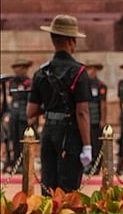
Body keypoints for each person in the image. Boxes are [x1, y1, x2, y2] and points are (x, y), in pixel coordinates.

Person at [26, 14, 91, 193]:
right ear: (71, 41)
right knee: (68, 190)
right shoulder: (79, 71)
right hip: (69, 134)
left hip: (48, 131)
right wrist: (87, 145)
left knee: (48, 185)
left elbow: (31, 111)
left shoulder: (41, 72)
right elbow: (82, 111)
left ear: (53, 39)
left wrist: (50, 106)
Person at [4, 58, 34, 172]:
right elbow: (10, 98)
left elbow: (31, 100)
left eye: (18, 68)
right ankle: (15, 162)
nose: (16, 70)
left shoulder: (28, 82)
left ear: (24, 69)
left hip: (24, 113)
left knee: (23, 139)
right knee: (14, 138)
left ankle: (24, 164)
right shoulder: (12, 82)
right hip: (14, 113)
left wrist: (30, 116)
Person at [84, 60, 107, 174]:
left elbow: (103, 104)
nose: (91, 71)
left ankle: (96, 165)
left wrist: (102, 119)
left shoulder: (100, 85)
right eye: (89, 68)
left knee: (96, 143)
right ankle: (87, 164)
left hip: (95, 119)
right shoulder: (83, 84)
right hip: (85, 118)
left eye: (93, 69)